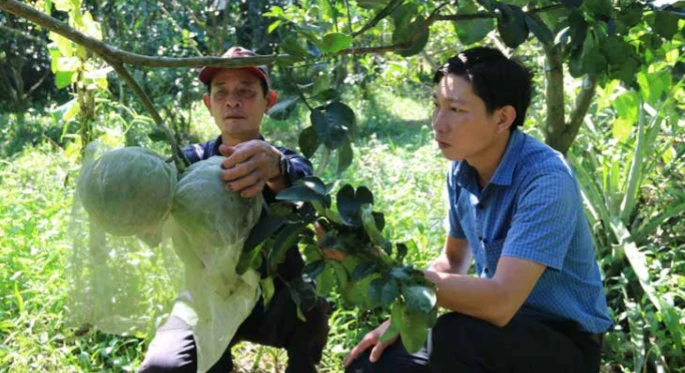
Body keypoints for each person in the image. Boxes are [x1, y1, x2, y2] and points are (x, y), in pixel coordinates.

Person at [342, 47, 613, 373]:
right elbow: (454, 260)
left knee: (455, 337)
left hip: (564, 344)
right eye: (437, 106)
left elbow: (500, 302)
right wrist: (400, 319)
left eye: (455, 109)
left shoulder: (546, 180)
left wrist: (390, 274)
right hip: (494, 333)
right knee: (371, 363)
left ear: (502, 118)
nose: (439, 124)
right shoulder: (462, 169)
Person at [139, 46, 329, 373]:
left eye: (246, 91)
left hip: (277, 297)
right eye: (221, 92)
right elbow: (151, 230)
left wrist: (276, 170)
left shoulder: (285, 160)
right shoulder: (187, 163)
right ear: (208, 104)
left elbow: (308, 192)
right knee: (162, 367)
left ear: (269, 102)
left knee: (312, 307)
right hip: (205, 298)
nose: (232, 101)